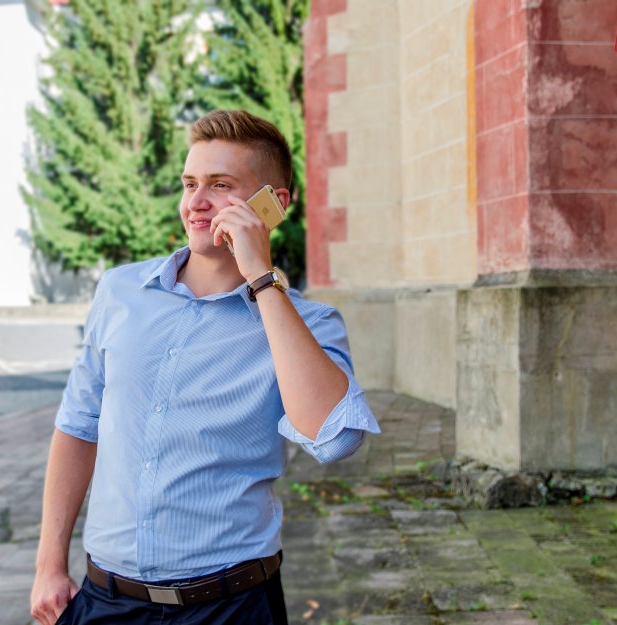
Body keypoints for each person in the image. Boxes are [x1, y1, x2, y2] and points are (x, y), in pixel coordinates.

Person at [30, 109, 380, 625]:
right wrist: (49, 565)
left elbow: (336, 440)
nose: (195, 202)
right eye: (190, 183)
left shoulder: (308, 324)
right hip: (106, 601)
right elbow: (79, 425)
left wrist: (261, 277)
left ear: (273, 205)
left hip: (231, 606)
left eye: (220, 185)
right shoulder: (120, 292)